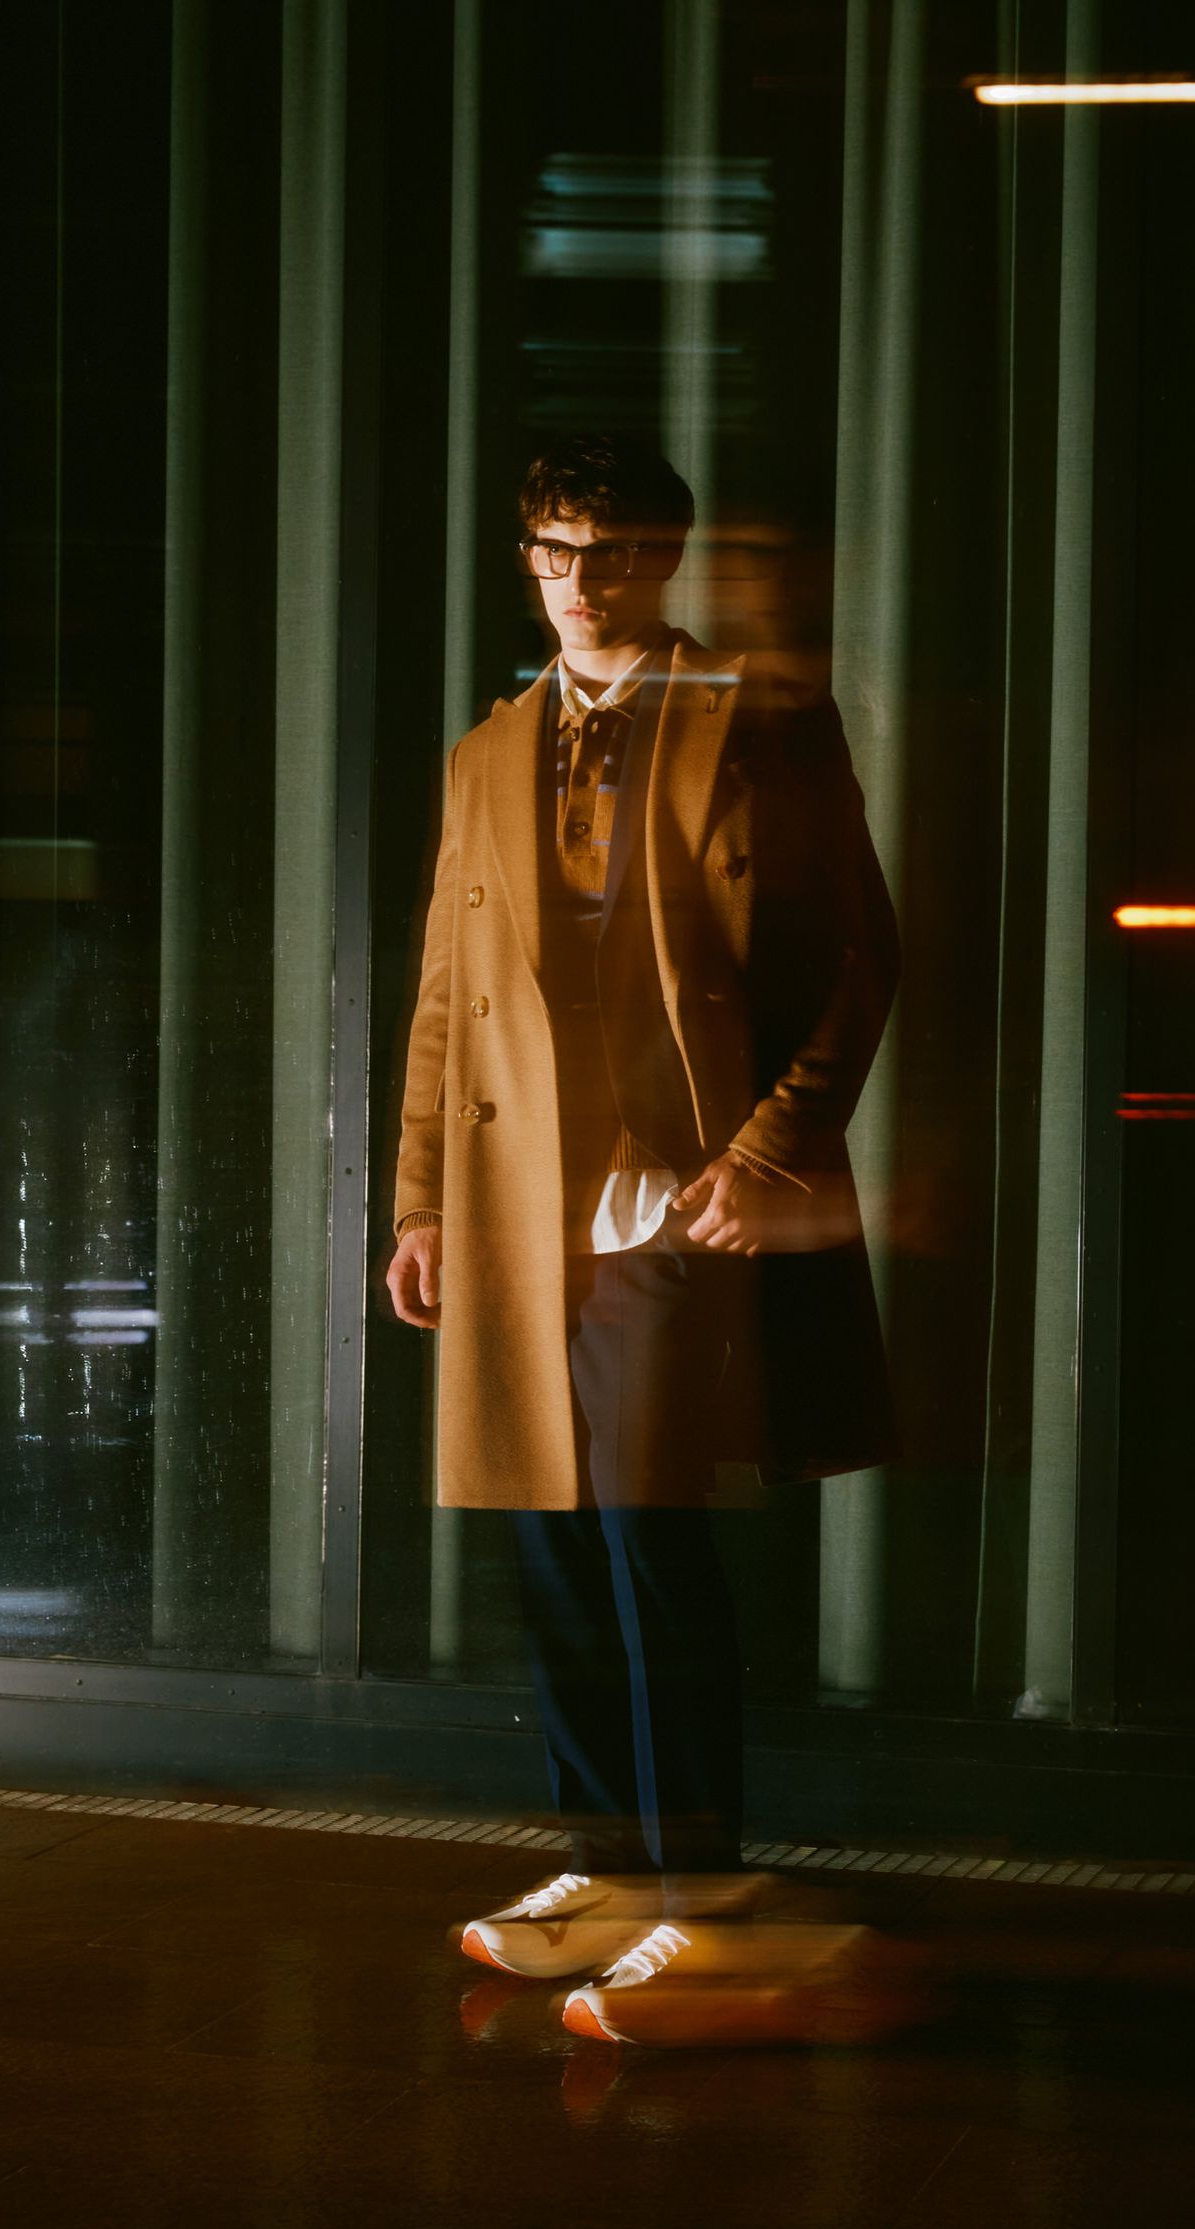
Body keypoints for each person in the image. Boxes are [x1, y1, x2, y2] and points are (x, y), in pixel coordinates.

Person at [385, 433, 897, 2039]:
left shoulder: (762, 721)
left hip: (678, 1204)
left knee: (651, 1548)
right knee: (551, 1551)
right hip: (518, 1208)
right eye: (550, 547)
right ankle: (606, 1873)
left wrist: (767, 1148)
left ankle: (701, 1896)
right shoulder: (486, 752)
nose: (575, 581)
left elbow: (861, 958)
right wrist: (417, 1203)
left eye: (606, 551)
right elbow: (440, 1011)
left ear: (660, 561)